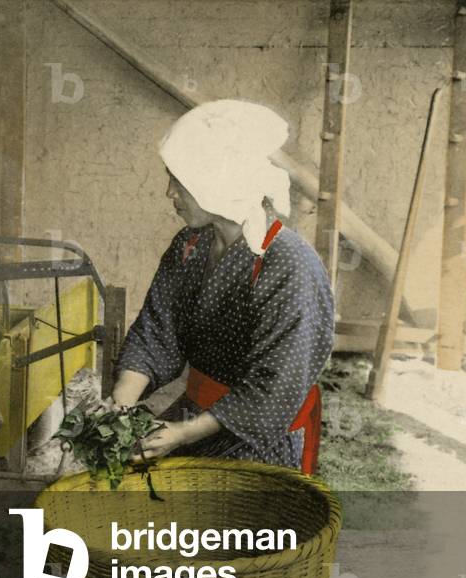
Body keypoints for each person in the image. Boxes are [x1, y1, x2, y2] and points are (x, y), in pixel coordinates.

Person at [112, 99, 335, 470]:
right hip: (195, 417)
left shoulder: (288, 262)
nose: (170, 193)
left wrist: (182, 434)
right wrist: (120, 406)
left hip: (256, 438)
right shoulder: (190, 245)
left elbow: (275, 388)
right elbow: (157, 332)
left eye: (178, 180)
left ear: (216, 179)